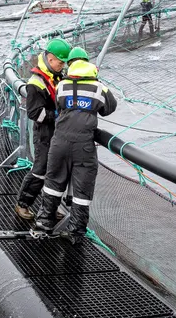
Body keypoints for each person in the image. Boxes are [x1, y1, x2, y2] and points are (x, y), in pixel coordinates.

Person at [35, 59, 117, 243]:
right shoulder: (99, 88)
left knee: (53, 181)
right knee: (82, 188)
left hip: (60, 141)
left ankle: (44, 222)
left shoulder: (62, 86)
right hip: (84, 145)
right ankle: (75, 232)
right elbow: (109, 108)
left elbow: (59, 106)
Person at [14, 38, 71, 219]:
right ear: (50, 58)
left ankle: (50, 209)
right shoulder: (36, 83)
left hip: (58, 133)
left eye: (64, 63)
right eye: (60, 62)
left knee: (56, 171)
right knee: (40, 170)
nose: (62, 66)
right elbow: (34, 113)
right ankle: (22, 204)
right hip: (45, 134)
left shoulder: (58, 77)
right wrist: (57, 115)